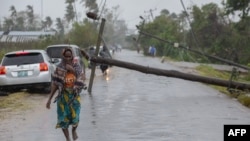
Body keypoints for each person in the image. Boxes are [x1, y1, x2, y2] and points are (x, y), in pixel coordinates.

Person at [46, 47, 85, 141]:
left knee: (75, 117)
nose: (67, 58)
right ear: (63, 56)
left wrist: (72, 70)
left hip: (74, 97)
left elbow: (82, 78)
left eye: (69, 56)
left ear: (72, 56)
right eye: (66, 56)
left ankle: (74, 130)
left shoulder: (76, 66)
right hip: (63, 97)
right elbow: (55, 84)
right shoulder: (59, 68)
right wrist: (49, 99)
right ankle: (67, 138)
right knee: (63, 120)